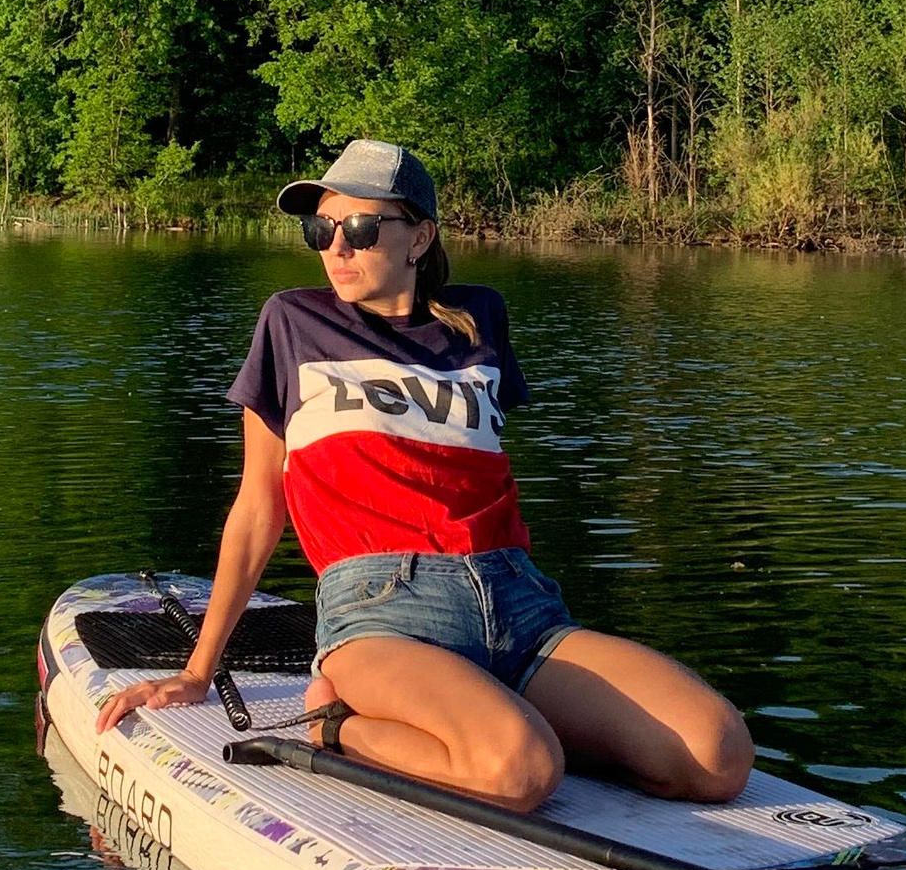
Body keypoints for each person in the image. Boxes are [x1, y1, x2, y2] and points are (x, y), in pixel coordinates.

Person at [94, 139, 752, 810]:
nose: (335, 248)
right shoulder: (292, 323)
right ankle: (337, 722)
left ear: (420, 237)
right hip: (383, 613)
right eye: (321, 229)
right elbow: (259, 506)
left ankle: (507, 722)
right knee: (520, 769)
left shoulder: (481, 319)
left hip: (520, 605)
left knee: (717, 753)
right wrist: (200, 669)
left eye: (358, 227)